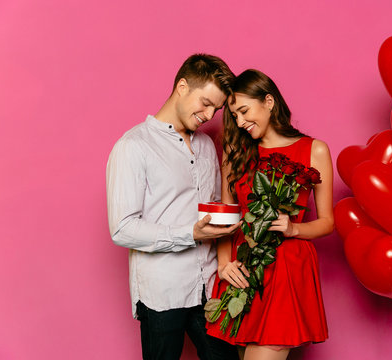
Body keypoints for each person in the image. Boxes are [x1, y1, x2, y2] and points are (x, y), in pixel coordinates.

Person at [106, 54, 240, 360]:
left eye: (216, 109)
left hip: (208, 287)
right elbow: (122, 228)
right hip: (161, 292)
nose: (209, 114)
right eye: (205, 103)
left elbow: (212, 205)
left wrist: (227, 221)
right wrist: (190, 233)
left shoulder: (206, 145)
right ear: (182, 86)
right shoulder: (133, 146)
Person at [206, 69, 334, 360]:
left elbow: (328, 222)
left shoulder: (315, 150)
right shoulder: (236, 151)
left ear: (269, 101)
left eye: (243, 111)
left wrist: (294, 229)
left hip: (286, 270)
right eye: (234, 116)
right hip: (243, 271)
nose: (240, 122)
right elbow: (228, 214)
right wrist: (224, 263)